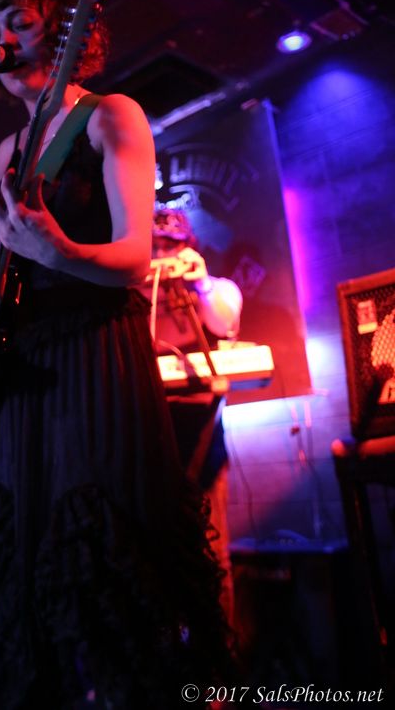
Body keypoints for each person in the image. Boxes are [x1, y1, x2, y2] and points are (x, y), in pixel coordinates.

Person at [0, 0, 232, 709]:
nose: (2, 39)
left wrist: (59, 251)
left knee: (103, 540)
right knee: (27, 548)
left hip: (97, 349)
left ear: (65, 31)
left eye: (19, 21)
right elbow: (11, 242)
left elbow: (131, 258)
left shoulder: (110, 115)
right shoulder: (9, 149)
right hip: (25, 362)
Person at [145, 207, 243, 625]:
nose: (163, 253)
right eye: (155, 245)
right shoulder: (138, 295)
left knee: (209, 544)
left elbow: (224, 321)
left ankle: (219, 652)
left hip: (199, 428)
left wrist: (200, 282)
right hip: (149, 429)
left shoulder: (217, 289)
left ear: (189, 246)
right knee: (152, 549)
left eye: (172, 245)